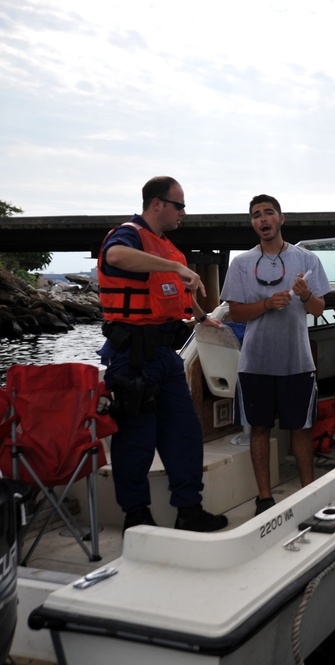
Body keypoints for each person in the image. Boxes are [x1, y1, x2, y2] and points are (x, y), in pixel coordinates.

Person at [99, 176, 229, 533]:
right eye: (179, 205)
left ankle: (189, 511)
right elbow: (114, 256)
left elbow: (177, 293)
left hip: (165, 356)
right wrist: (175, 267)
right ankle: (136, 516)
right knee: (136, 438)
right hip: (132, 357)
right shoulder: (128, 235)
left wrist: (202, 318)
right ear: (157, 204)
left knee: (185, 433)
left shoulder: (170, 249)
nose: (183, 213)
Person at [220, 194, 330, 515]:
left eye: (269, 213)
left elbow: (318, 309)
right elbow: (235, 313)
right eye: (256, 215)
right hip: (255, 363)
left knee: (301, 429)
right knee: (259, 429)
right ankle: (265, 499)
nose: (263, 219)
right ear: (252, 223)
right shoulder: (241, 263)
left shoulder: (307, 259)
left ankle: (308, 494)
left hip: (298, 363)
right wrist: (267, 304)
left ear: (281, 219)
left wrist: (305, 295)